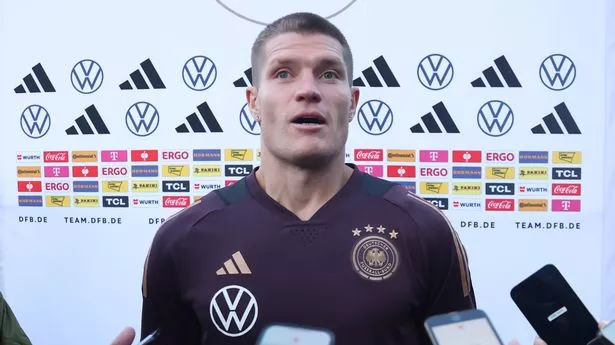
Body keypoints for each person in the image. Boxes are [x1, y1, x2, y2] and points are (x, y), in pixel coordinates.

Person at [139, 11, 477, 345]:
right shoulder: (184, 239)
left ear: (352, 102)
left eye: (328, 74)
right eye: (283, 73)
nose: (308, 90)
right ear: (254, 102)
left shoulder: (423, 229)